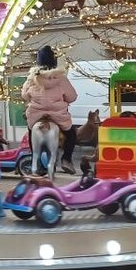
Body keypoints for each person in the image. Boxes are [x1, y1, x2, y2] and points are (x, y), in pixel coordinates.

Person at [21, 46, 79, 174]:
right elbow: (72, 96)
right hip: (58, 115)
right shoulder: (61, 78)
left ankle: (34, 157)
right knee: (71, 134)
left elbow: (24, 95)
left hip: (36, 115)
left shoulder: (32, 78)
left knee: (31, 131)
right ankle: (66, 159)